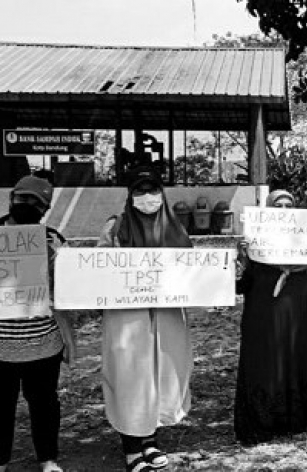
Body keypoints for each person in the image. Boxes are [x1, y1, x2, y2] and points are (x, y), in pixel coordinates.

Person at [96, 167, 193, 472]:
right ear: (130, 195)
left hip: (166, 314)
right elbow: (100, 267)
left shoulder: (175, 226)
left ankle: (150, 440)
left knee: (161, 373)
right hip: (128, 316)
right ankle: (131, 448)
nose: (147, 197)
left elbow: (190, 267)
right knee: (130, 375)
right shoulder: (116, 226)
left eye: (153, 190)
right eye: (140, 191)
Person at [234, 190, 307, 444]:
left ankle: (296, 419)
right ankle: (263, 420)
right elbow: (240, 285)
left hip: (297, 311)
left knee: (296, 357)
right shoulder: (254, 243)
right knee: (265, 361)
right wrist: (242, 258)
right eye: (277, 205)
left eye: (289, 205)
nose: (283, 210)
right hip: (263, 313)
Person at [0, 176, 73, 472]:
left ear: (45, 209)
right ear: (11, 199)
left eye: (36, 202)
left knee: (44, 405)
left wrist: (59, 259)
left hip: (43, 342)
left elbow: (69, 288)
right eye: (22, 199)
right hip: (1, 345)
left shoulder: (54, 239)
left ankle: (48, 459)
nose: (27, 205)